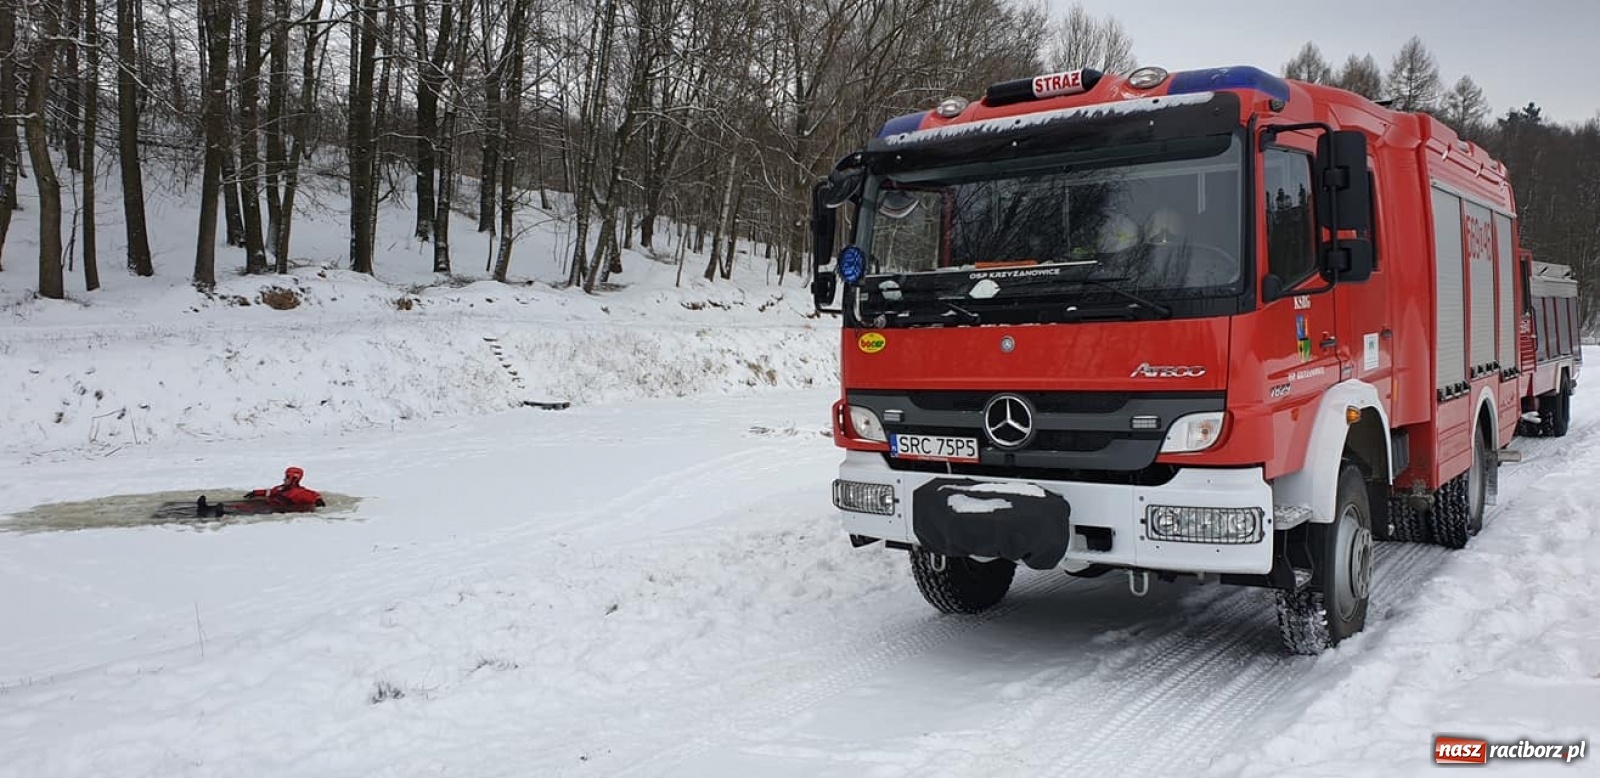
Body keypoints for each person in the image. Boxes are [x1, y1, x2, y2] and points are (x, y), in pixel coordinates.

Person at [246, 466, 325, 512]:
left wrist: (318, 499)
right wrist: (256, 493)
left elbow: (313, 496)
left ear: (294, 478)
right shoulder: (281, 488)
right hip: (265, 505)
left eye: (287, 477)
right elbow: (270, 492)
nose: (284, 479)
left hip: (271, 509)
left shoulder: (299, 493)